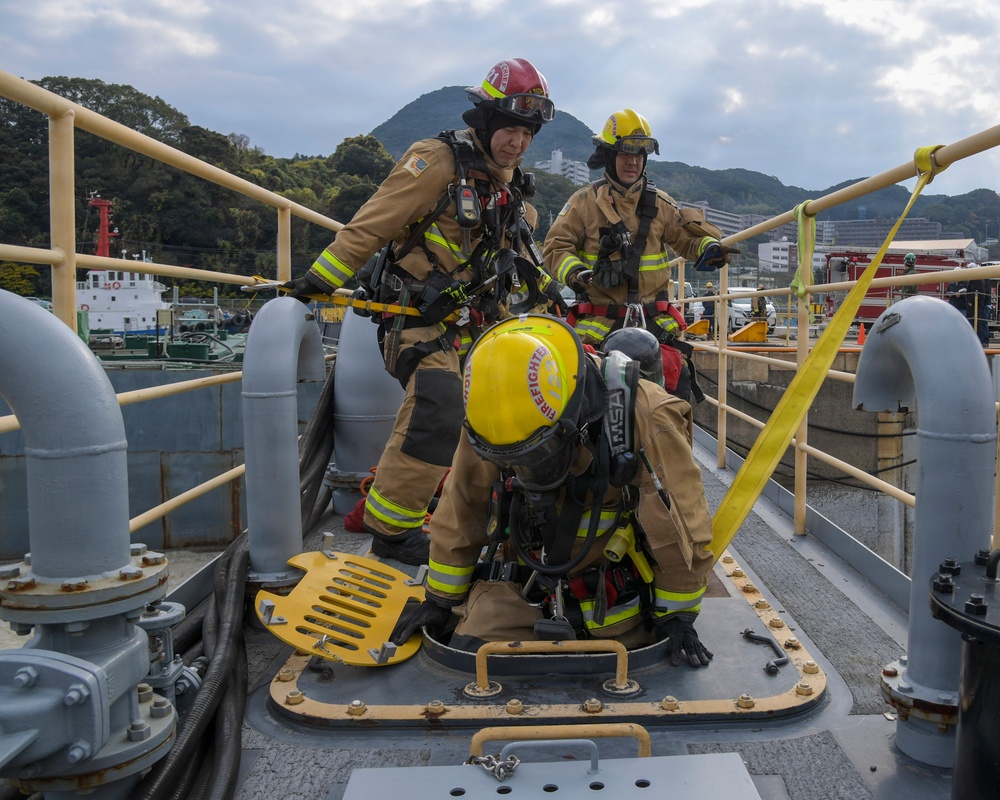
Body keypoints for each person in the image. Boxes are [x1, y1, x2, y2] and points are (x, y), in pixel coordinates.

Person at [282, 59, 557, 564]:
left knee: (511, 411)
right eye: (509, 129)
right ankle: (389, 530)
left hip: (478, 326)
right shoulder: (436, 160)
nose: (517, 142)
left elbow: (521, 266)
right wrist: (320, 279)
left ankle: (494, 514)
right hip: (416, 320)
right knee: (438, 402)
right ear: (487, 122)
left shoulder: (516, 194)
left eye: (527, 133)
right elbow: (375, 221)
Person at [390, 315, 716, 668]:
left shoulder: (646, 417)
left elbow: (681, 521)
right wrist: (440, 599)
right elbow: (462, 505)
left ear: (571, 415)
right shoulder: (489, 417)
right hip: (522, 587)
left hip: (613, 595)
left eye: (537, 452)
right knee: (469, 653)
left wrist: (677, 615)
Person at [542, 109, 737, 401]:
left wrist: (707, 249)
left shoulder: (661, 204)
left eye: (640, 154)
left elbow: (685, 240)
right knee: (588, 401)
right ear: (609, 155)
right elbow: (555, 248)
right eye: (625, 153)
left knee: (676, 390)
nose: (633, 161)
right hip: (598, 327)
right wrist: (578, 274)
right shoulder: (582, 204)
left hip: (653, 325)